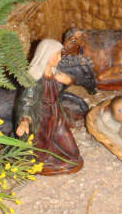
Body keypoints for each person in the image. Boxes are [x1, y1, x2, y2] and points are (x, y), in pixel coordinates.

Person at [15, 39, 83, 175]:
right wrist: (25, 120)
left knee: (73, 153)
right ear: (45, 55)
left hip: (57, 117)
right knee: (39, 152)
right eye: (56, 54)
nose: (59, 58)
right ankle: (40, 162)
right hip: (42, 120)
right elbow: (27, 101)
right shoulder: (34, 80)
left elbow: (62, 86)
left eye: (60, 54)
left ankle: (52, 157)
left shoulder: (54, 75)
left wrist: (69, 81)